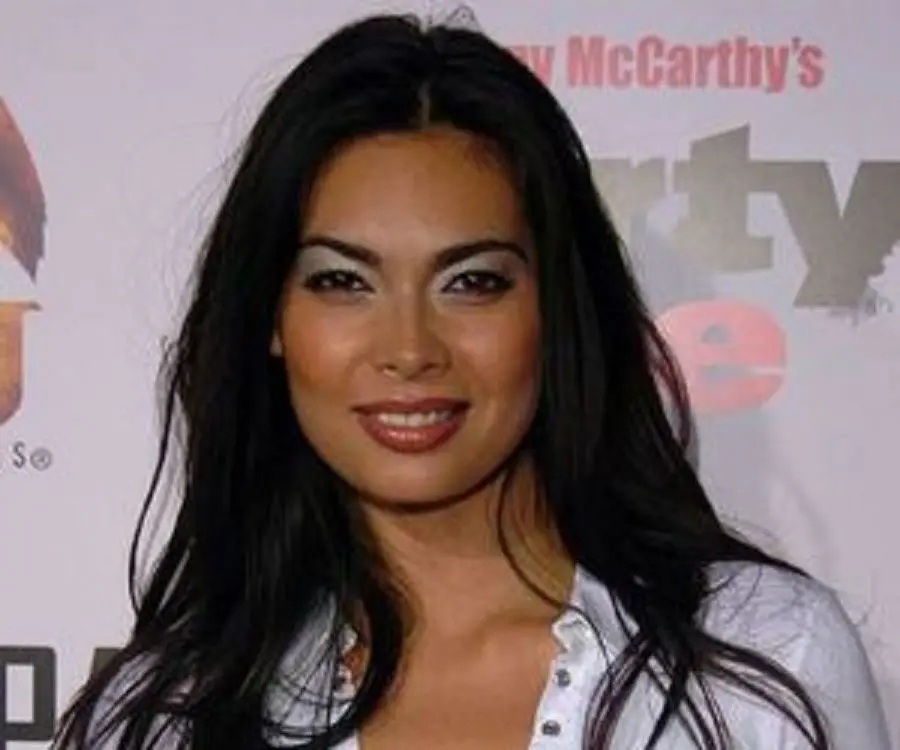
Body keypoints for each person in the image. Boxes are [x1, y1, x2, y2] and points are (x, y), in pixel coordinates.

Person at [54, 11, 890, 750]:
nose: (410, 349)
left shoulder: (762, 659)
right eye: (343, 281)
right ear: (271, 317)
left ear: (555, 309)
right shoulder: (164, 714)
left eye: (472, 282)